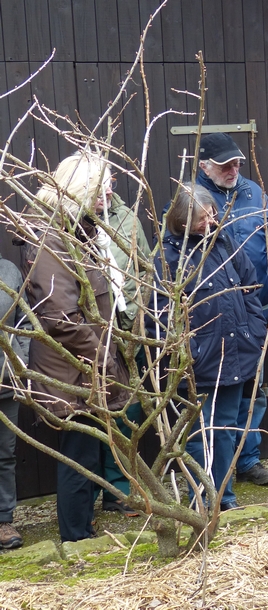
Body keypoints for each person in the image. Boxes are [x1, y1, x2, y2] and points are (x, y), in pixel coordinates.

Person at [23, 152, 132, 542]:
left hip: (86, 362)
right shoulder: (51, 237)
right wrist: (104, 359)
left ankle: (83, 527)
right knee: (79, 455)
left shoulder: (80, 230)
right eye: (103, 183)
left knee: (86, 449)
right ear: (80, 186)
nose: (109, 190)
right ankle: (76, 537)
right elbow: (61, 317)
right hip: (72, 368)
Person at [153, 184, 267, 511]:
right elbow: (159, 314)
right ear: (182, 220)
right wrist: (185, 352)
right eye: (203, 218)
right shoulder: (168, 255)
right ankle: (202, 502)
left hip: (236, 353)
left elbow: (251, 288)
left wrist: (253, 332)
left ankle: (225, 498)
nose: (211, 222)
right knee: (201, 435)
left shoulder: (224, 242)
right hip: (198, 362)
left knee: (226, 430)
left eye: (213, 214)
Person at [197, 132, 268, 486]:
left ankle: (247, 459)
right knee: (217, 402)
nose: (233, 170)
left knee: (252, 390)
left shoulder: (254, 194)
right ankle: (218, 472)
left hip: (252, 312)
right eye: (224, 165)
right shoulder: (194, 201)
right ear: (204, 165)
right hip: (212, 320)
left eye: (237, 164)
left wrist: (261, 287)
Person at [94, 171, 151, 517]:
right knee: (104, 410)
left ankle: (126, 485)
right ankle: (114, 489)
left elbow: (144, 267)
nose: (107, 190)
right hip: (96, 333)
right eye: (99, 184)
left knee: (130, 407)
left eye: (110, 181)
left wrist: (138, 314)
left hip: (132, 328)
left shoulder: (126, 216)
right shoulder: (68, 222)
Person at [0, 255, 30, 549]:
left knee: (4, 454)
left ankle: (3, 520)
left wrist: (21, 361)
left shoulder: (8, 270)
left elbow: (23, 320)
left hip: (6, 378)